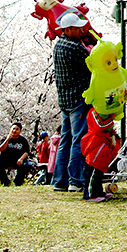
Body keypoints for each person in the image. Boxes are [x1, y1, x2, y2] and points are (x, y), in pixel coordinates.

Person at [52, 13, 93, 194]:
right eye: (77, 28)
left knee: (65, 141)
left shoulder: (58, 45)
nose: (81, 30)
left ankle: (60, 180)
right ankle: (76, 180)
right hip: (78, 99)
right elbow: (92, 64)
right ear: (67, 30)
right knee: (79, 140)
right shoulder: (76, 47)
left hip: (64, 100)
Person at [79, 109, 120, 202]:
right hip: (95, 143)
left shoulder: (100, 112)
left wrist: (110, 132)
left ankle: (98, 192)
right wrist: (110, 119)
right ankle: (90, 194)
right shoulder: (93, 111)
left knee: (99, 171)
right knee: (93, 169)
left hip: (102, 143)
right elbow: (100, 126)